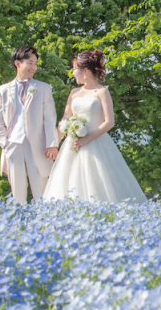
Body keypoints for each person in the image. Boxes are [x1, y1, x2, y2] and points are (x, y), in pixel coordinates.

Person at [42, 50, 147, 203]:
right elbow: (65, 120)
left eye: (74, 69)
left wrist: (87, 139)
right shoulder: (74, 92)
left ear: (85, 71)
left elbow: (109, 122)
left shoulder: (102, 92)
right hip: (72, 145)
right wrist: (54, 145)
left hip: (96, 142)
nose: (72, 73)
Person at [0, 45, 59, 204]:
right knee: (17, 192)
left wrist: (52, 144)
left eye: (35, 63)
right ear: (17, 63)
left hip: (38, 145)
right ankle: (19, 218)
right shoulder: (3, 90)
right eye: (30, 62)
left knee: (41, 191)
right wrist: (4, 143)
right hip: (13, 144)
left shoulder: (43, 88)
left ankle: (44, 218)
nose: (33, 67)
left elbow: (50, 118)